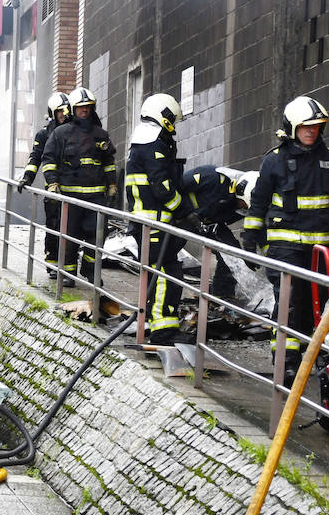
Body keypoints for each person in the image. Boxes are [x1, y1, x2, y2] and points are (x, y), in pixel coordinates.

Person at [242, 95, 329, 382]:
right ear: (292, 127)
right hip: (285, 247)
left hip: (322, 247)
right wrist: (250, 236)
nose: (312, 131)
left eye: (316, 126)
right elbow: (258, 203)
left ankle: (307, 356)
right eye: (306, 126)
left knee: (317, 303)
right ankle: (286, 362)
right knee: (289, 301)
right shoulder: (274, 161)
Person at [125, 93, 188, 345]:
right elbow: (162, 188)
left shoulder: (143, 141)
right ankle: (163, 331)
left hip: (148, 222)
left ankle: (153, 322)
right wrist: (183, 211)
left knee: (155, 274)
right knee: (166, 274)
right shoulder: (154, 145)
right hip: (156, 222)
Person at [40, 86, 117, 282]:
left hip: (96, 198)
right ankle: (68, 274)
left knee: (96, 236)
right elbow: (48, 160)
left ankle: (90, 270)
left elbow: (109, 163)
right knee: (69, 236)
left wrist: (112, 185)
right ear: (73, 110)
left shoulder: (101, 134)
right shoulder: (61, 134)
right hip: (70, 197)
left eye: (89, 107)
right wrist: (52, 183)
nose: (85, 111)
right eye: (81, 108)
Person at [17, 91, 71, 276]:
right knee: (54, 226)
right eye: (60, 112)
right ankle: (53, 264)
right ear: (53, 112)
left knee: (72, 229)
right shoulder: (44, 134)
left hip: (73, 189)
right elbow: (35, 158)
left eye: (66, 111)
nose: (64, 115)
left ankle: (69, 267)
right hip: (54, 191)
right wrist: (27, 178)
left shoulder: (75, 132)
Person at [181, 165, 252, 304]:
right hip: (182, 217)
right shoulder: (211, 178)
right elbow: (177, 187)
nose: (242, 209)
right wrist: (183, 212)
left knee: (231, 252)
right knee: (168, 256)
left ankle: (221, 296)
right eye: (243, 205)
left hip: (210, 223)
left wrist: (251, 252)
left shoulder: (243, 204)